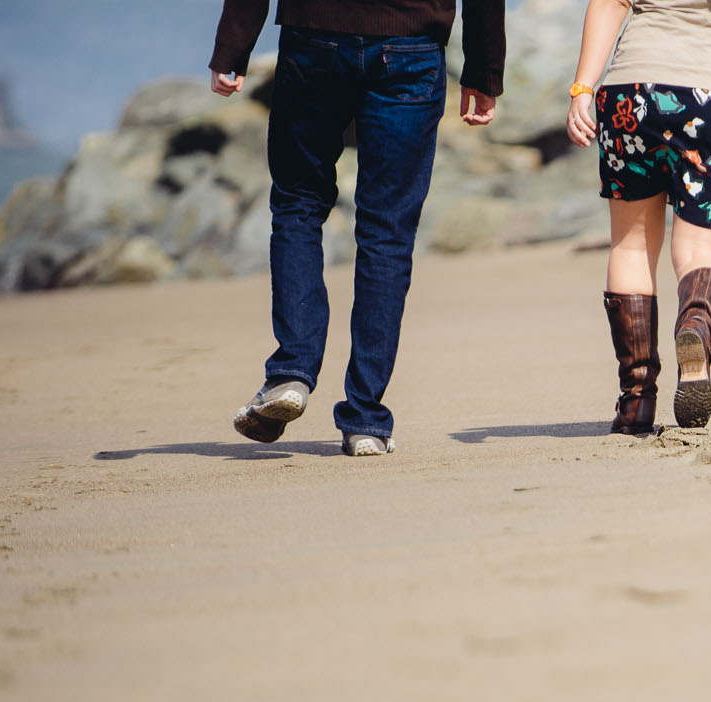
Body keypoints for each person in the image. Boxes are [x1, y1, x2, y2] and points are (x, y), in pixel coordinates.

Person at [210, 0, 504, 456]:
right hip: (412, 44)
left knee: (298, 205)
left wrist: (233, 47)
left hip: (316, 37)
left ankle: (292, 371)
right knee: (386, 230)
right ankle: (365, 419)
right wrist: (483, 72)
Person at [565, 0, 711, 433]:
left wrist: (582, 89)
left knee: (631, 243)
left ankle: (636, 403)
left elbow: (612, 2)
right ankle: (695, 329)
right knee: (701, 247)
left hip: (633, 90)